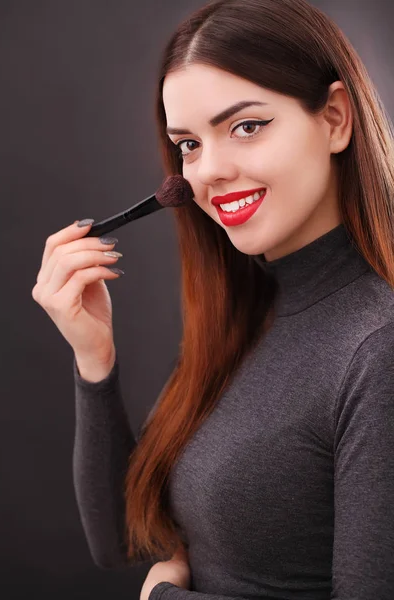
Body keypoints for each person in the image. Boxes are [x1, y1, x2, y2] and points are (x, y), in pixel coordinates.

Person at [32, 0, 394, 598]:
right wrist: (94, 358)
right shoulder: (248, 316)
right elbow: (125, 540)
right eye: (189, 145)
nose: (209, 171)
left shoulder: (378, 350)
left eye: (246, 126)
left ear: (335, 118)